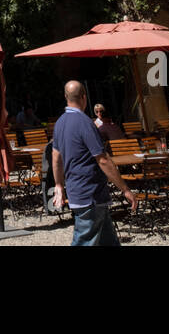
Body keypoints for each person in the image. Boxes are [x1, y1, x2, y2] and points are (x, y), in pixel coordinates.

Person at [51, 81, 138, 245]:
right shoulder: (85, 122)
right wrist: (125, 189)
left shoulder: (60, 123)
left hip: (79, 191)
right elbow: (103, 160)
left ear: (65, 97)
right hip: (90, 193)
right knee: (85, 240)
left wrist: (58, 184)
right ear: (84, 97)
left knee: (108, 240)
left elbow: (56, 157)